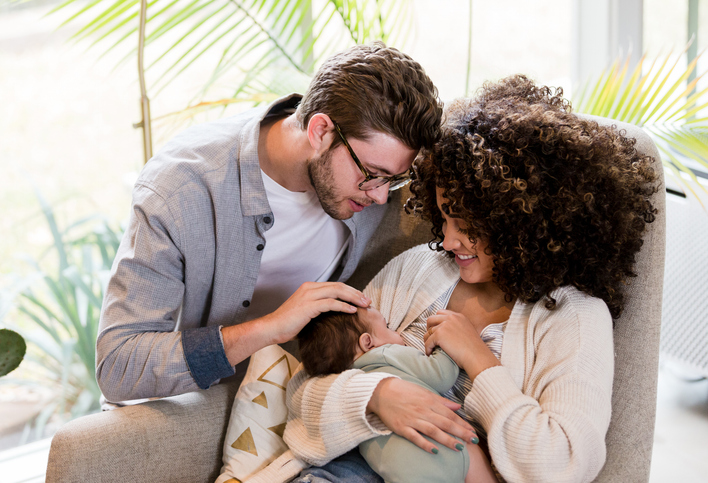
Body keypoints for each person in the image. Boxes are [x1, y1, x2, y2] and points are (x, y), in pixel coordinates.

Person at [282, 75, 659, 483]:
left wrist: (478, 361)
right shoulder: (419, 269)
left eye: (465, 224)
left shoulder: (574, 318)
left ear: (521, 222)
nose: (447, 239)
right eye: (443, 217)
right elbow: (304, 389)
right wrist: (378, 395)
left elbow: (564, 465)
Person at [94, 43, 455, 408]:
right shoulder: (183, 190)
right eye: (373, 176)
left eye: (392, 181)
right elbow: (118, 365)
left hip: (304, 400)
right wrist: (272, 327)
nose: (380, 198)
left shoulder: (373, 174)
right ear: (320, 131)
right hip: (188, 408)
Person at [293, 306, 494, 483]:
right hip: (448, 449)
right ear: (368, 343)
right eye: (387, 326)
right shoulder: (385, 353)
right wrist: (445, 343)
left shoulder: (347, 392)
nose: (397, 332)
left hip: (402, 473)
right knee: (469, 444)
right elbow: (441, 375)